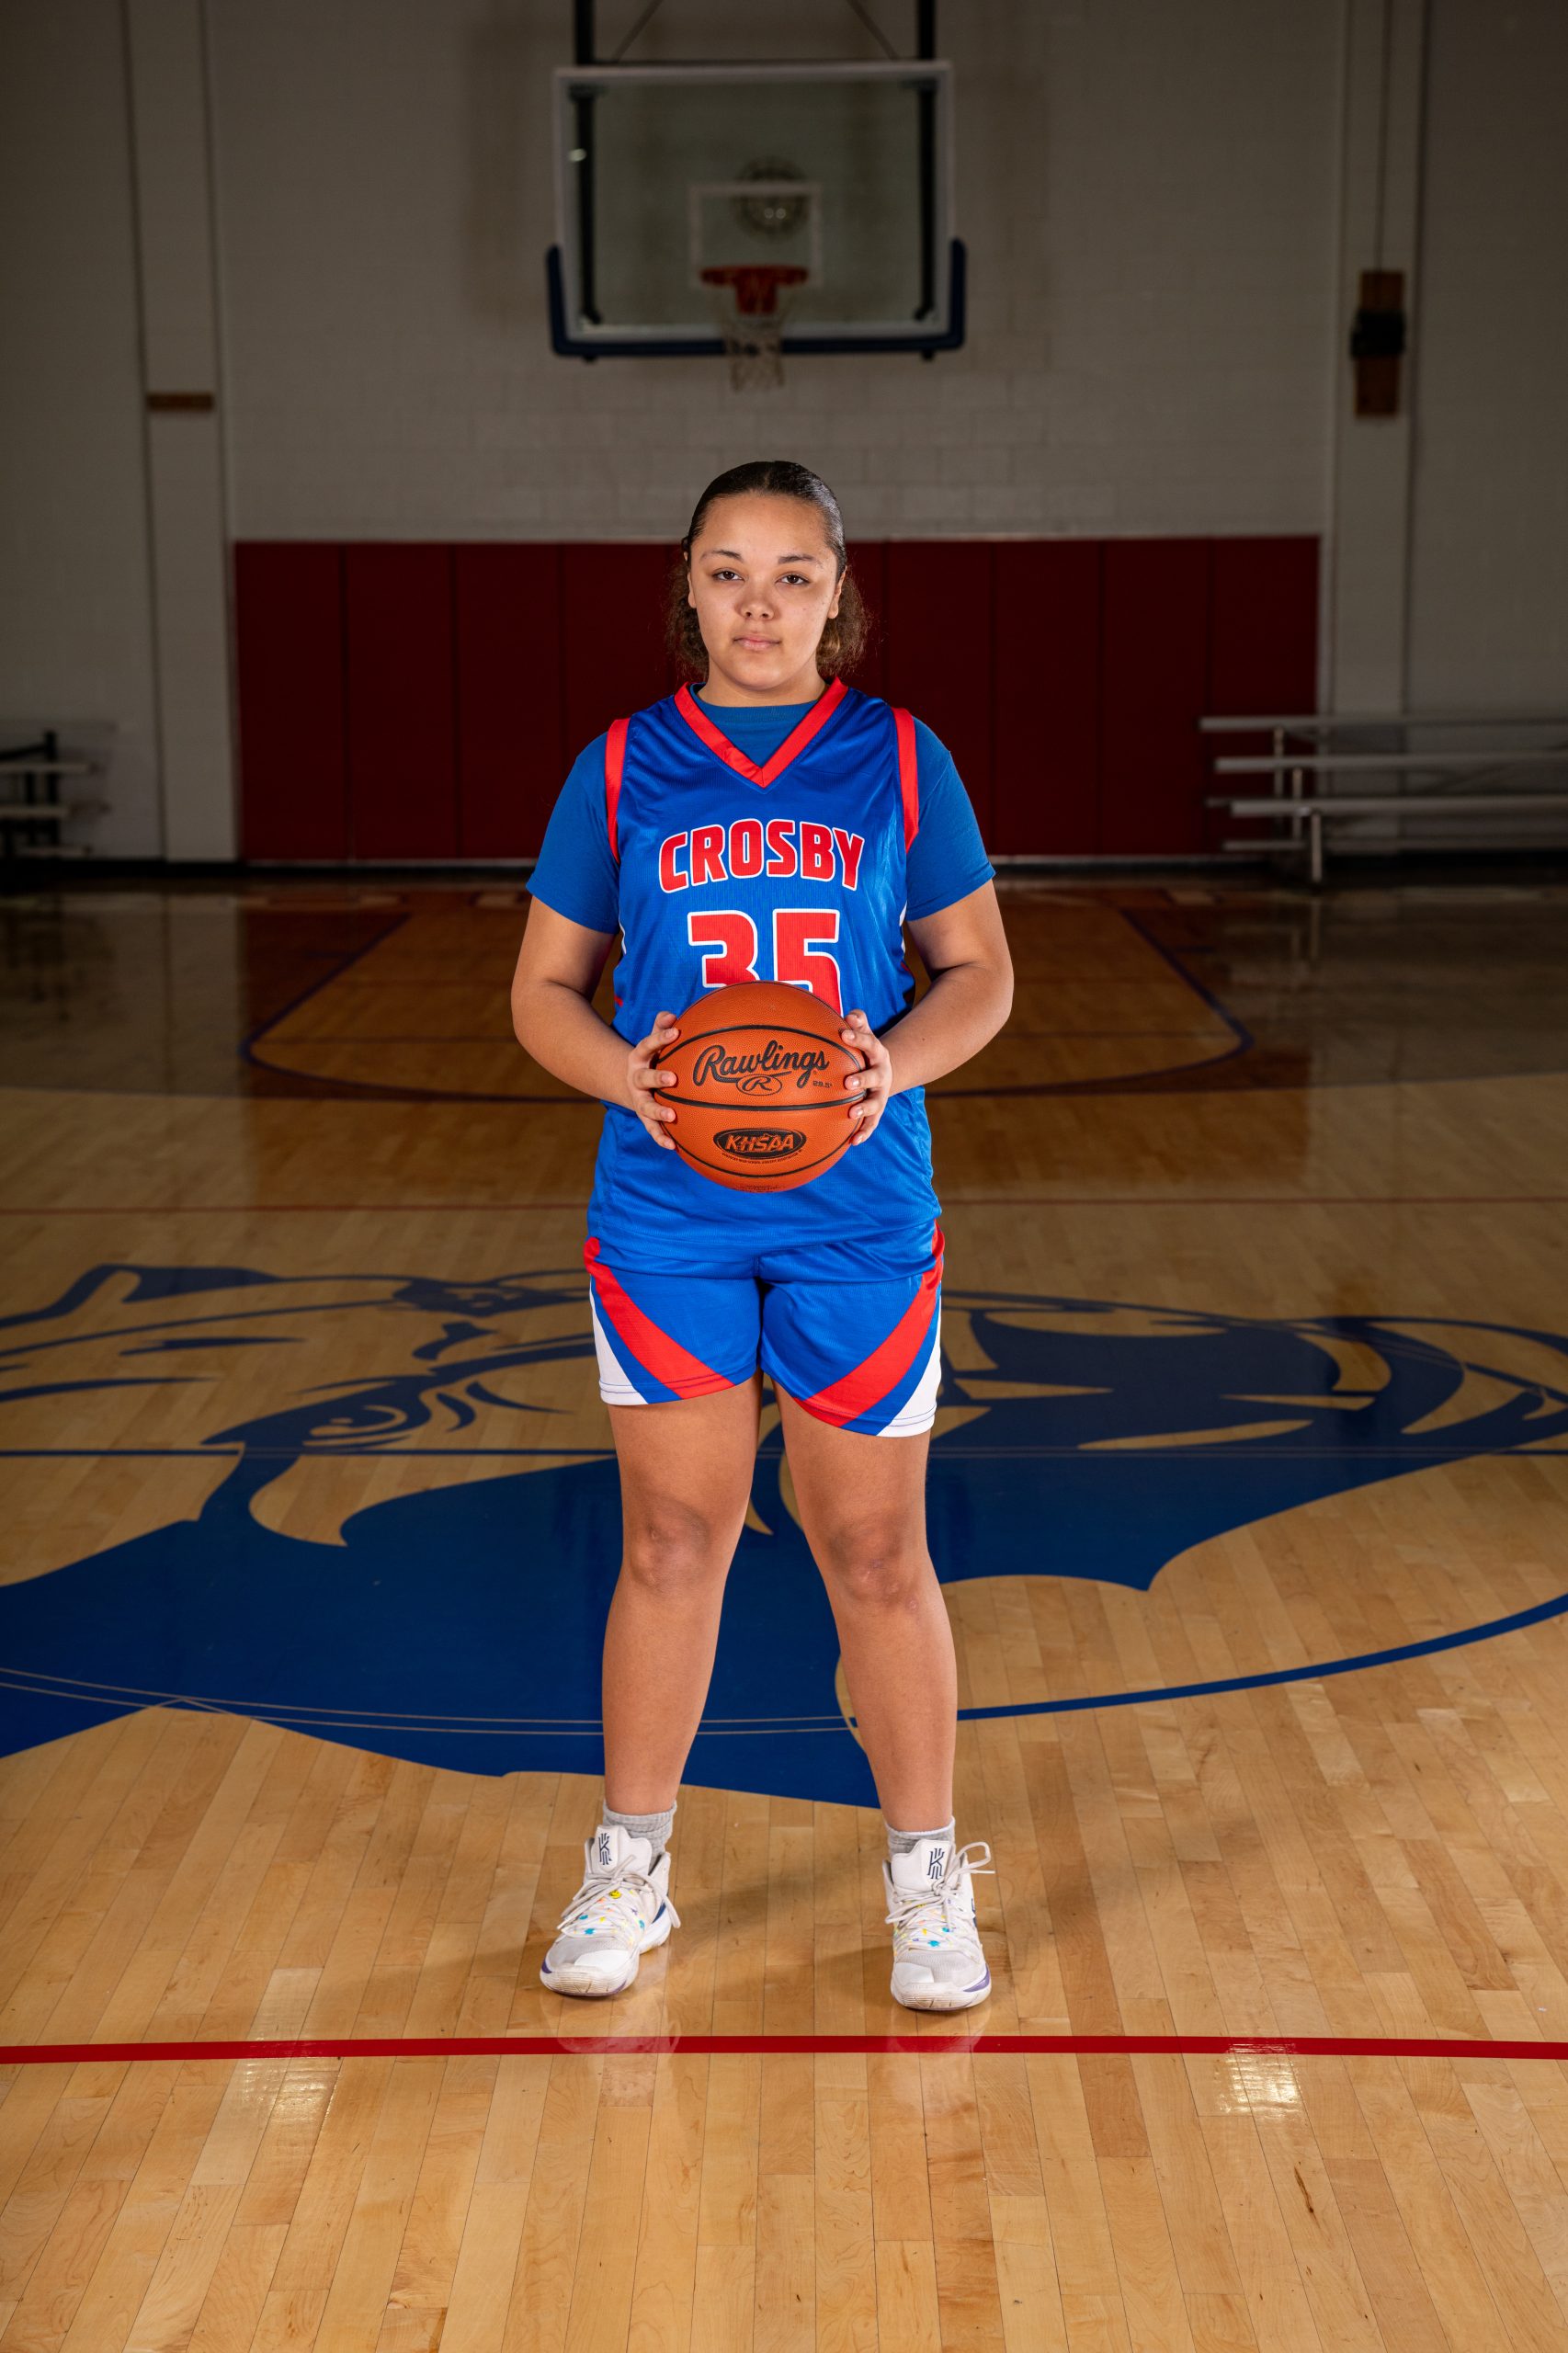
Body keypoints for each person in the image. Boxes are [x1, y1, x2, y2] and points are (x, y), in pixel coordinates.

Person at [510, 459, 1014, 2010]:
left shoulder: (902, 761)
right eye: (727, 570)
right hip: (667, 1215)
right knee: (673, 1543)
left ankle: (925, 1881)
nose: (758, 602)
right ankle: (631, 1866)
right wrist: (634, 1081)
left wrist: (887, 1068)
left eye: (793, 573)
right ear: (687, 586)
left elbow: (979, 973)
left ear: (836, 597)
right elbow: (542, 994)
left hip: (856, 1215)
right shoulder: (618, 769)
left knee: (874, 1551)